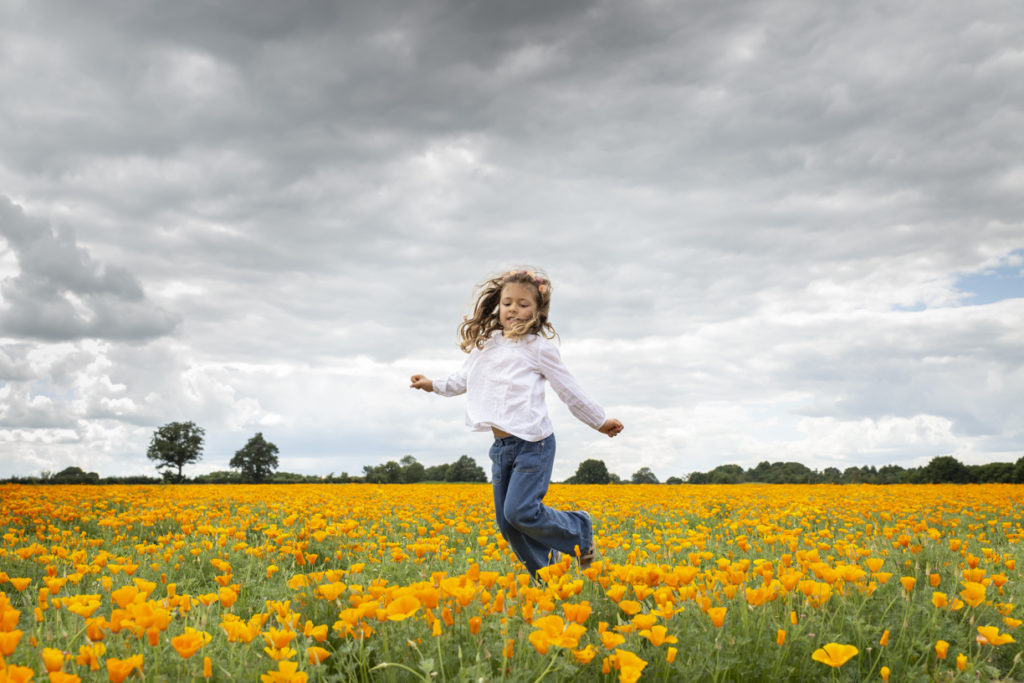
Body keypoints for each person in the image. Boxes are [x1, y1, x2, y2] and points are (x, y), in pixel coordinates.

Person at [410, 267, 623, 578]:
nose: (514, 309)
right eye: (508, 302)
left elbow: (569, 390)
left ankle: (580, 530)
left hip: (533, 445)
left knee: (520, 512)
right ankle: (549, 579)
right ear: (498, 305)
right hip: (501, 448)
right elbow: (461, 380)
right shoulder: (487, 345)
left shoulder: (539, 349)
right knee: (509, 525)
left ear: (538, 312)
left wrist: (600, 421)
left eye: (524, 304)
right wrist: (432, 384)